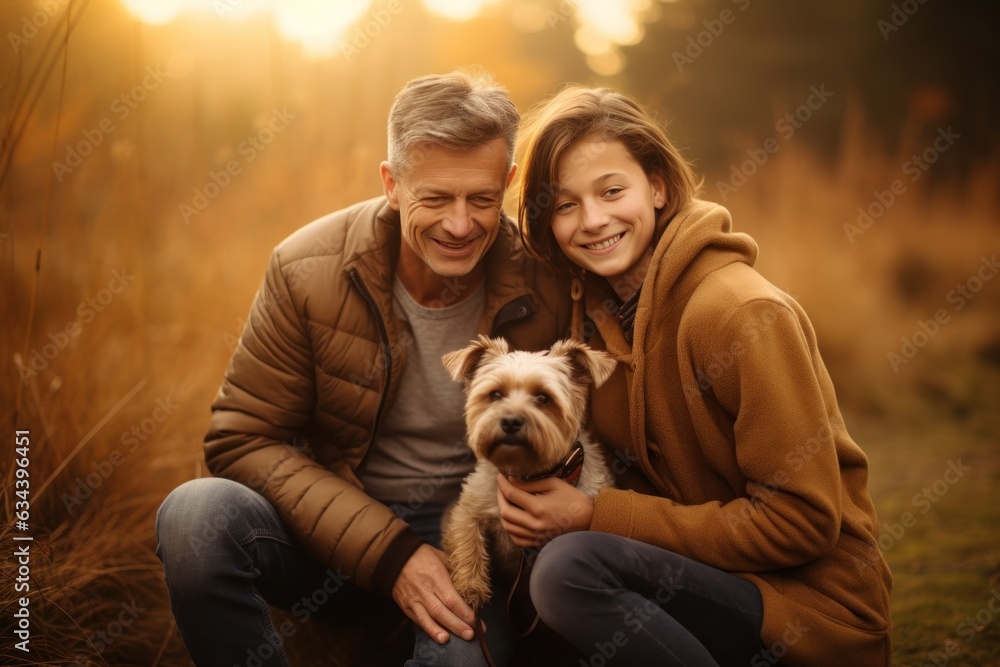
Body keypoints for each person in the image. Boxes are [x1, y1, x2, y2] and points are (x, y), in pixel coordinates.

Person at [154, 70, 570, 667]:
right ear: (392, 183)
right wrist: (391, 554)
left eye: (481, 198)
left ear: (507, 183)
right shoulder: (306, 268)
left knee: (460, 662)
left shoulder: (549, 275)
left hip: (478, 539)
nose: (459, 225)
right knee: (196, 517)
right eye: (434, 198)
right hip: (330, 528)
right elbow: (242, 438)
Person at [503, 86, 893, 666]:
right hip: (695, 580)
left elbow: (803, 522)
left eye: (613, 190)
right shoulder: (596, 319)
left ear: (657, 185)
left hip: (806, 612)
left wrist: (593, 515)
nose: (593, 220)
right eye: (564, 205)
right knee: (539, 570)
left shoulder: (741, 314)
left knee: (569, 569)